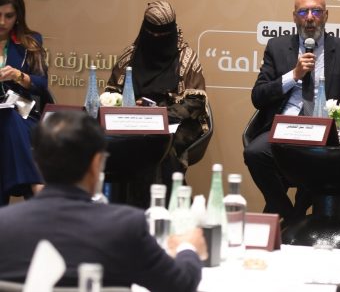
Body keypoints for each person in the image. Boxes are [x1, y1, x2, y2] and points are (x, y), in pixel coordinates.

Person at [0, 109, 206, 290]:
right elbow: (181, 285)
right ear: (96, 163)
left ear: (36, 162)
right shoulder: (127, 227)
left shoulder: (4, 225)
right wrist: (188, 248)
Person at [245, 0, 340, 219]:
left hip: (325, 132)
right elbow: (258, 96)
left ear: (326, 15)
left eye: (316, 11)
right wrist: (293, 75)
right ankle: (293, 217)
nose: (310, 17)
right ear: (294, 17)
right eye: (303, 12)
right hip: (286, 127)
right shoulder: (277, 47)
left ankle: (296, 216)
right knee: (254, 153)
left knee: (320, 162)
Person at [106, 1, 209, 180]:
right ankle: (119, 193)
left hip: (175, 122)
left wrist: (159, 114)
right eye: (151, 33)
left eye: (162, 34)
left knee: (160, 146)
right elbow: (111, 94)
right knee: (107, 141)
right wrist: (129, 108)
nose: (155, 37)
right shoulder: (130, 57)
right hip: (132, 120)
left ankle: (163, 194)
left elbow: (195, 102)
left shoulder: (186, 59)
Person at [0, 0, 48, 205]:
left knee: (9, 117)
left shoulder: (31, 42)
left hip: (22, 111)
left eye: (8, 16)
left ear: (18, 16)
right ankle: (35, 184)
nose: (2, 22)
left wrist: (19, 76)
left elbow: (41, 84)